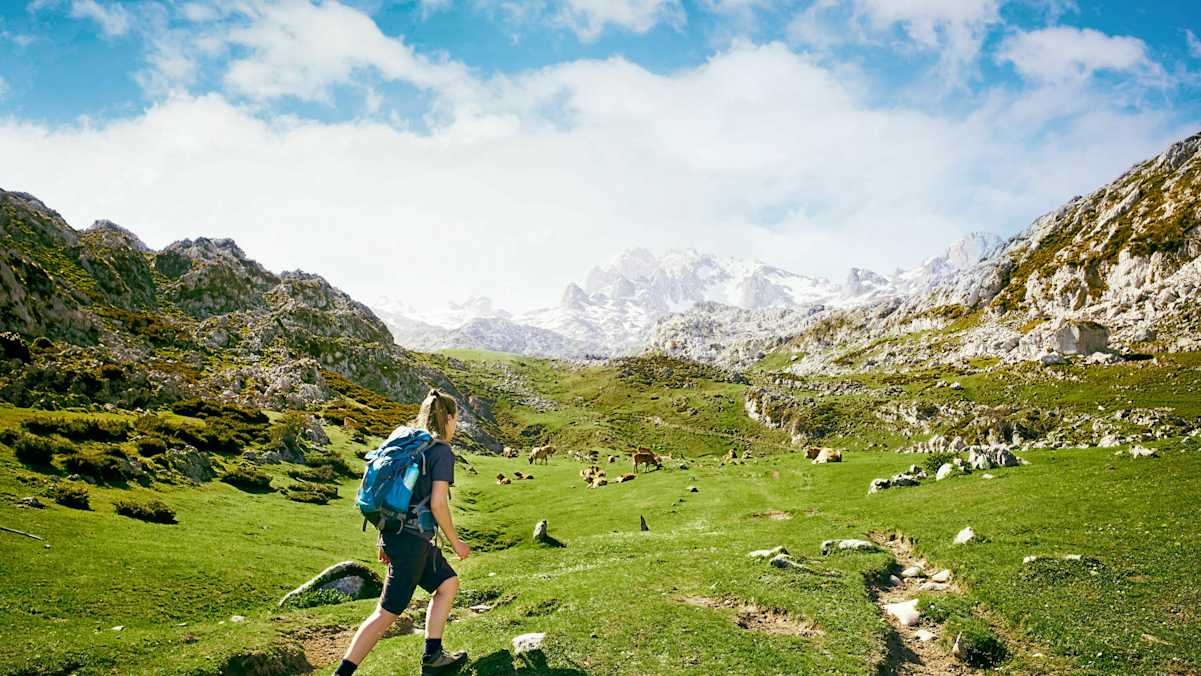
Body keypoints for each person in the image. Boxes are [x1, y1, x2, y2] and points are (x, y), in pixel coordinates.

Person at [336, 389, 472, 675]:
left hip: (403, 537)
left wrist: (383, 539)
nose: (455, 425)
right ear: (448, 418)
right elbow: (438, 504)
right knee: (386, 613)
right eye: (455, 419)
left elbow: (393, 496)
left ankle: (433, 657)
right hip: (411, 542)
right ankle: (342, 673)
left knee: (447, 583)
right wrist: (456, 542)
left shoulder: (411, 445)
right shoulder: (441, 452)